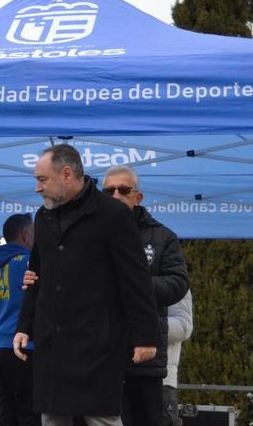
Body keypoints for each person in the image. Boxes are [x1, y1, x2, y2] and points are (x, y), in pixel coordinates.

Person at [13, 144, 158, 426]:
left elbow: (135, 278)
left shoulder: (113, 215)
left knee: (102, 418)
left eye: (42, 180)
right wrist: (24, 325)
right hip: (52, 344)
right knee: (52, 418)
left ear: (67, 173)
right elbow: (36, 273)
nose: (37, 188)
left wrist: (145, 336)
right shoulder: (43, 217)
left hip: (97, 346)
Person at [100, 166, 189, 426]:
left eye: (123, 190)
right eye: (108, 191)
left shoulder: (162, 236)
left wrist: (134, 284)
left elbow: (178, 284)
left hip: (144, 354)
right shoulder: (88, 235)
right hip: (100, 354)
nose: (115, 195)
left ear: (137, 197)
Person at [0, 214, 40, 426]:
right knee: (29, 413)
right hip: (22, 346)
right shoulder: (28, 262)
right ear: (26, 235)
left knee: (7, 412)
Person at [163, 290, 193, 426]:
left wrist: (146, 326)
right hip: (114, 378)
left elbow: (184, 325)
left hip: (161, 379)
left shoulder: (170, 273)